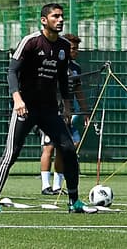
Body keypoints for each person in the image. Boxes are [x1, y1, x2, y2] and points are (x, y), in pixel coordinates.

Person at [0, 2, 85, 214]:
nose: (60, 20)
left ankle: (74, 201)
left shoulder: (62, 47)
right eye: (55, 16)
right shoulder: (31, 42)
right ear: (44, 20)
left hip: (49, 109)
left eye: (61, 16)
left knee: (68, 149)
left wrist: (67, 106)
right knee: (11, 153)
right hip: (26, 108)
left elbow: (62, 79)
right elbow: (12, 72)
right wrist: (17, 99)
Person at [41, 32, 84, 194]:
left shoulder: (76, 68)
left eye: (77, 48)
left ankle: (58, 185)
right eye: (73, 48)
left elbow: (78, 91)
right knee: (48, 147)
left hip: (67, 114)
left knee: (65, 147)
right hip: (49, 112)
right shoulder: (52, 63)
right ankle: (45, 185)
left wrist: (85, 111)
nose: (76, 51)